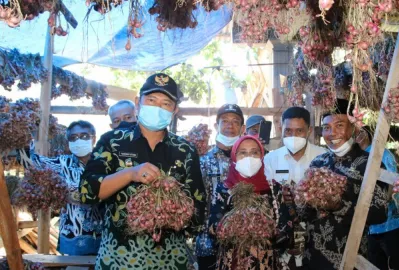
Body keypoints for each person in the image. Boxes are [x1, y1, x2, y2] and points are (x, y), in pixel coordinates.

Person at [79, 73, 206, 270]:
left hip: (170, 260)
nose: (157, 108)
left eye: (166, 103)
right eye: (152, 100)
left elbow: (197, 211)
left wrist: (172, 203)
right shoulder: (112, 141)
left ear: (175, 110)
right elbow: (87, 193)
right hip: (118, 259)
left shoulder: (185, 150)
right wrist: (130, 174)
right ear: (138, 102)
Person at [302, 99, 389, 269]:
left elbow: (380, 213)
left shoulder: (370, 165)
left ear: (354, 128)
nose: (332, 133)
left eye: (339, 125)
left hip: (352, 258)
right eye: (326, 128)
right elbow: (306, 213)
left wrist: (338, 204)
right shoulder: (318, 163)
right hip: (314, 257)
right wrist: (298, 199)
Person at [208, 136, 294, 269]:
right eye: (243, 152)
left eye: (254, 152)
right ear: (234, 156)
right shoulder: (224, 189)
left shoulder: (274, 188)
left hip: (266, 261)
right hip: (232, 260)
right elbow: (213, 226)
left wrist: (265, 230)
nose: (249, 157)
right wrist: (234, 227)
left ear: (262, 155)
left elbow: (287, 225)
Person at [18, 120, 103, 255]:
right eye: (73, 137)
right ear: (68, 142)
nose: (79, 140)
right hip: (73, 234)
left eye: (84, 136)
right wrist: (23, 134)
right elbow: (31, 163)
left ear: (94, 138)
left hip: (105, 234)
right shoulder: (62, 163)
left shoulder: (105, 162)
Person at [263, 106, 326, 269]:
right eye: (288, 131)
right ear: (280, 129)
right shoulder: (270, 159)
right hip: (283, 236)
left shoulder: (323, 157)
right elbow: (267, 196)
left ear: (309, 130)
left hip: (317, 233)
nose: (293, 136)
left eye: (299, 131)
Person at [196, 104, 245, 270]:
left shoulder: (249, 162)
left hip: (243, 241)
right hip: (208, 242)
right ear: (217, 126)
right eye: (224, 121)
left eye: (235, 122)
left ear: (242, 128)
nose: (230, 126)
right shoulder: (203, 161)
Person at [356, 126, 399, 270]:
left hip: (392, 223)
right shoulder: (356, 156)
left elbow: (393, 182)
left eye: (362, 132)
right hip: (372, 227)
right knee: (375, 264)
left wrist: (382, 205)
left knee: (397, 263)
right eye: (356, 132)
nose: (358, 135)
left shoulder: (382, 154)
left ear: (369, 134)